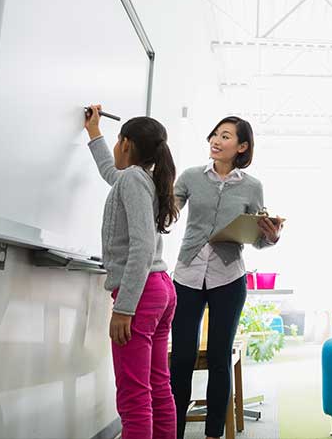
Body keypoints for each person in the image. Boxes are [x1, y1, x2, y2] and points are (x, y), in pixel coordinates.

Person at [169, 116, 283, 439]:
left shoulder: (252, 186)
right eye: (215, 134)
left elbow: (258, 236)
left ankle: (213, 434)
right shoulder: (191, 177)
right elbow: (169, 212)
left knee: (220, 357)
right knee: (182, 357)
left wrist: (271, 236)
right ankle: (173, 431)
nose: (216, 141)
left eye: (226, 136)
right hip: (188, 274)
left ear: (242, 146)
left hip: (229, 278)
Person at [85, 104, 179, 439]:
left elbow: (140, 247)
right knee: (156, 385)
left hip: (141, 293)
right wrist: (94, 133)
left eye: (115, 142)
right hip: (159, 289)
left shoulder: (134, 181)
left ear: (125, 144)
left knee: (134, 394)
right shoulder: (139, 179)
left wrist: (124, 308)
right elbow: (111, 172)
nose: (114, 149)